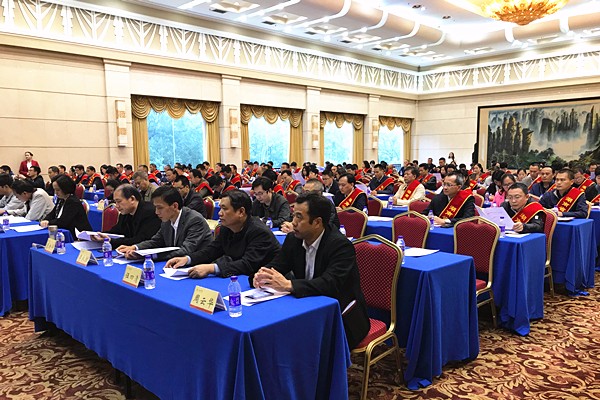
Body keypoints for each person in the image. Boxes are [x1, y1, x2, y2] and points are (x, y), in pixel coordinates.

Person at [251, 192, 370, 349]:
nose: (293, 222)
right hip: (306, 307)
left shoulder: (340, 246)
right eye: (293, 215)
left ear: (317, 222)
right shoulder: (294, 239)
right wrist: (262, 275)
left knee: (296, 341)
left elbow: (329, 283)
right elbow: (278, 265)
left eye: (299, 217)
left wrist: (289, 285)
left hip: (341, 315)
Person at [165, 190, 281, 278]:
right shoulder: (227, 227)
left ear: (241, 212)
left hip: (265, 282)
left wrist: (211, 268)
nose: (219, 213)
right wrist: (187, 259)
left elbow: (248, 264)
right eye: (220, 208)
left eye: (224, 209)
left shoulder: (259, 232)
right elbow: (212, 250)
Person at [116, 186, 212, 261]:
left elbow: (186, 250)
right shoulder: (167, 220)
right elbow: (156, 241)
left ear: (175, 206)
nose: (156, 212)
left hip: (198, 265)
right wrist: (135, 247)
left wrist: (150, 256)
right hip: (175, 264)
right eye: (155, 207)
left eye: (160, 208)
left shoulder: (194, 220)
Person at [92, 184, 161, 247]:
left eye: (119, 201)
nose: (117, 206)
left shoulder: (150, 213)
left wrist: (111, 241)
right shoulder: (125, 212)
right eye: (115, 202)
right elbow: (116, 231)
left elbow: (141, 240)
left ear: (132, 199)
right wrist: (99, 235)